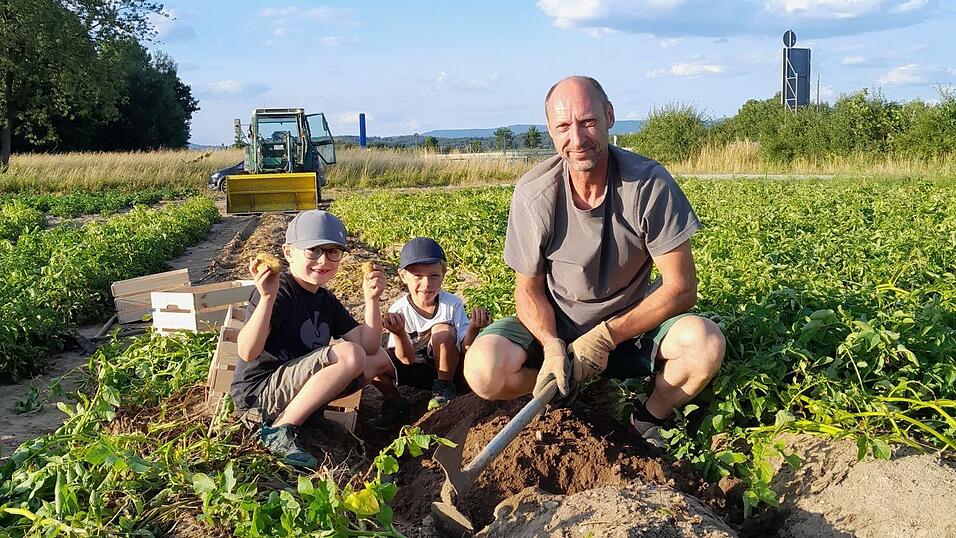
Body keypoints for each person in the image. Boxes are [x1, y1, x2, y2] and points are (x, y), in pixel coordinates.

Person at [463, 75, 725, 448]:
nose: (577, 138)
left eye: (587, 122)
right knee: (483, 369)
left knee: (705, 345)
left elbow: (680, 288)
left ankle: (646, 418)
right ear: (551, 133)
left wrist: (605, 337)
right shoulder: (535, 193)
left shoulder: (648, 184)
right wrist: (552, 344)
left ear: (609, 116)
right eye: (564, 127)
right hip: (559, 327)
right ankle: (562, 390)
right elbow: (527, 289)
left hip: (630, 328)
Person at [230, 210, 396, 468]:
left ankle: (396, 412)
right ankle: (279, 430)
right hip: (258, 397)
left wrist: (372, 299)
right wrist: (266, 298)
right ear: (288, 253)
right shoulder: (280, 289)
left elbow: (370, 346)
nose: (323, 260)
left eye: (333, 252)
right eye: (313, 251)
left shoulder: (325, 299)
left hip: (289, 388)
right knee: (350, 354)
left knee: (380, 358)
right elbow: (248, 352)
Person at [376, 237, 491, 424]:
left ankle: (444, 389)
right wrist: (398, 333)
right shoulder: (398, 310)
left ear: (443, 274)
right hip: (414, 368)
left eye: (434, 276)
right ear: (403, 276)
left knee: (443, 331)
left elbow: (466, 348)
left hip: (450, 371)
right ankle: (395, 402)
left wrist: (474, 328)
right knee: (372, 360)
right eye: (418, 276)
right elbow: (406, 359)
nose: (426, 284)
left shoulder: (451, 305)